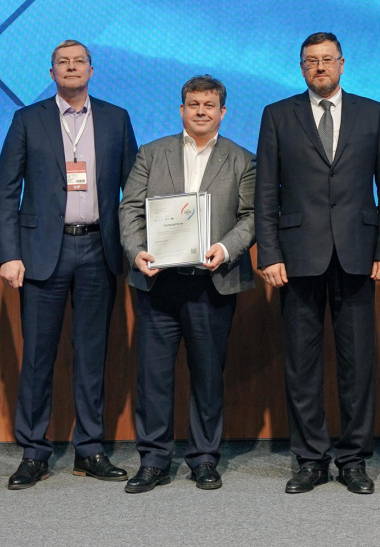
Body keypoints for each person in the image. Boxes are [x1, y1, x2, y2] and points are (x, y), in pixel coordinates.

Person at [254, 31, 380, 495]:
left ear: (342, 63)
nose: (319, 67)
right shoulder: (278, 114)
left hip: (358, 254)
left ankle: (353, 460)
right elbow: (265, 191)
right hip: (297, 257)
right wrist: (269, 252)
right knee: (301, 365)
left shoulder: (373, 112)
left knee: (358, 365)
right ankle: (310, 459)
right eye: (310, 61)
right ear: (302, 68)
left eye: (327, 59)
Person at [0, 39, 138, 490]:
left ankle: (89, 449)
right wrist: (9, 254)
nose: (71, 67)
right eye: (63, 62)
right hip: (42, 253)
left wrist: (138, 246)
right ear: (52, 72)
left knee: (92, 355)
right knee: (38, 356)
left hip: (99, 249)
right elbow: (6, 191)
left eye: (79, 61)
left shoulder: (116, 118)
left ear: (91, 70)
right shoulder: (27, 119)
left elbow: (134, 189)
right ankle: (34, 453)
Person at [118, 75, 257, 492]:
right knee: (153, 378)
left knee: (208, 376)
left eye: (209, 105)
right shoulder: (151, 153)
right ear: (181, 109)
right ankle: (154, 460)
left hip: (212, 282)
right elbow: (129, 209)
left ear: (222, 112)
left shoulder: (243, 159)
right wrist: (136, 251)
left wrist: (226, 248)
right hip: (158, 282)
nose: (201, 111)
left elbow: (252, 216)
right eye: (193, 104)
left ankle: (203, 458)